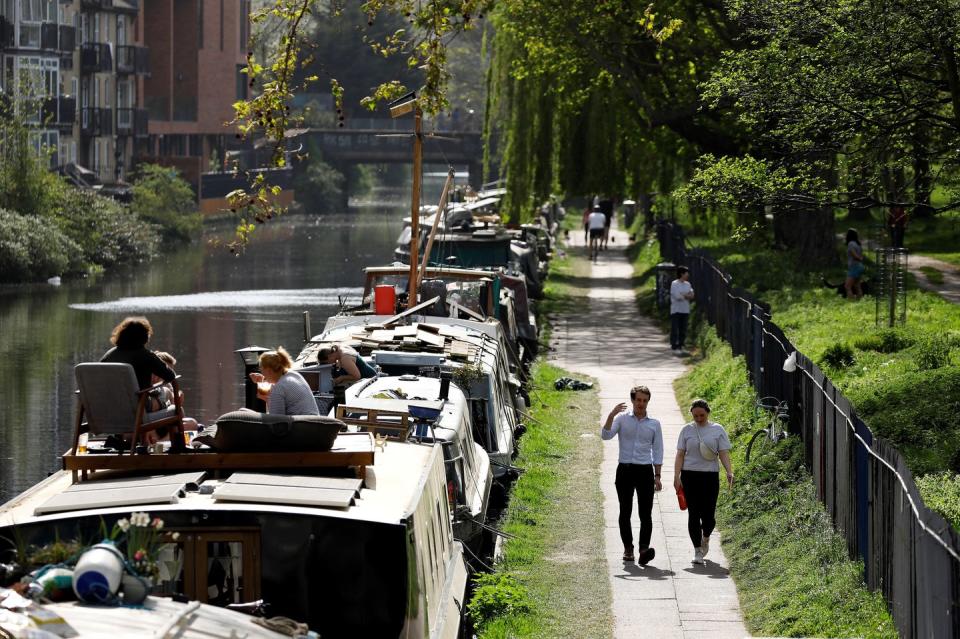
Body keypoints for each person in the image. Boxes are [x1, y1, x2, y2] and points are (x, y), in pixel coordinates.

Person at [601, 385, 663, 566]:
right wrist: (611, 415)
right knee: (625, 511)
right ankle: (628, 548)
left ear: (648, 401)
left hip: (645, 471)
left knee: (646, 513)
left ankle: (644, 549)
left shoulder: (654, 424)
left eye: (644, 400)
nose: (641, 404)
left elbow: (658, 450)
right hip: (625, 470)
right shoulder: (621, 419)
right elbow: (606, 436)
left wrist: (657, 475)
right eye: (638, 400)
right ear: (633, 400)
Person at [673, 399, 733, 565]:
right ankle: (697, 550)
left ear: (708, 413)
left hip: (710, 476)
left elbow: (723, 453)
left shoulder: (717, 429)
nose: (699, 419)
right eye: (695, 416)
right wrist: (676, 476)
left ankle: (705, 536)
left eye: (702, 415)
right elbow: (680, 454)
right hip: (689, 475)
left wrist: (729, 471)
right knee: (693, 513)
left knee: (708, 516)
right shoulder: (687, 430)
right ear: (691, 414)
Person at [101, 316, 175, 390]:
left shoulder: (109, 354)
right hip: (139, 400)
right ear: (145, 337)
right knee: (167, 390)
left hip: (108, 399)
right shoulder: (146, 356)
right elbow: (170, 376)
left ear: (121, 334)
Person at [248, 347, 320, 416]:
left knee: (245, 412)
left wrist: (268, 400)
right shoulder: (294, 375)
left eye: (261, 369)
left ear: (268, 370)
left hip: (302, 426)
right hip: (313, 421)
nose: (261, 373)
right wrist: (264, 381)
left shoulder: (278, 387)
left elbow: (275, 421)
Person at [150, 351, 199, 433]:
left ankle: (169, 437)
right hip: (154, 422)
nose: (165, 377)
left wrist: (178, 400)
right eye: (164, 372)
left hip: (166, 420)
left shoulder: (168, 385)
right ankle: (168, 438)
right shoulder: (149, 384)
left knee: (192, 423)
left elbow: (175, 408)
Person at [670, 266, 695, 355]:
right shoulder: (674, 284)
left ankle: (681, 345)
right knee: (675, 328)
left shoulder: (688, 284)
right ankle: (674, 346)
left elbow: (692, 295)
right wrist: (686, 295)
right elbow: (677, 296)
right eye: (686, 273)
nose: (688, 275)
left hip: (685, 310)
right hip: (676, 310)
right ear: (682, 274)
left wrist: (684, 294)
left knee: (683, 329)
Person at [845, 228, 865, 300]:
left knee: (847, 286)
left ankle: (851, 301)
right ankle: (860, 300)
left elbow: (854, 255)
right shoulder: (858, 244)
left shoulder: (850, 244)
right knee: (857, 285)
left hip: (854, 266)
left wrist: (859, 258)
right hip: (860, 266)